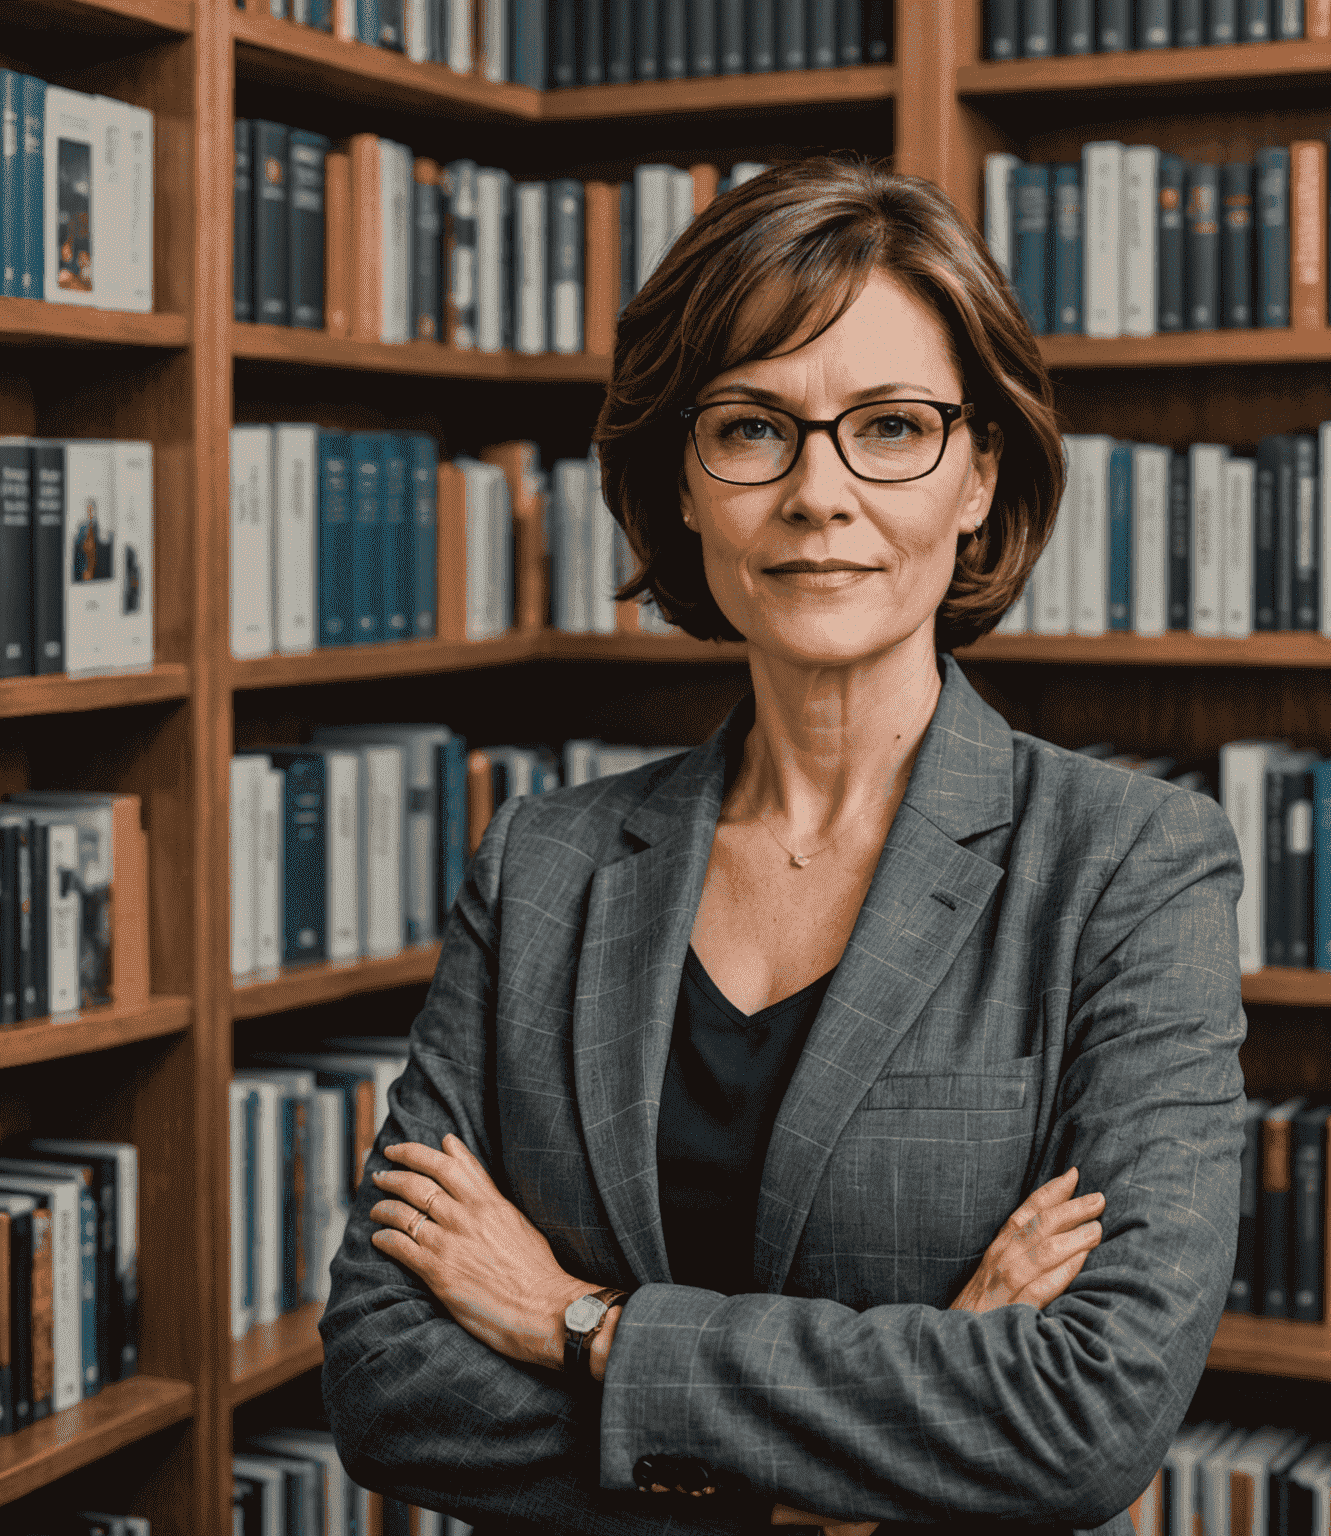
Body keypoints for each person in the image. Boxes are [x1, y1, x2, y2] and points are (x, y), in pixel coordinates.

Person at [320, 157, 1246, 1536]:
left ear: (980, 474)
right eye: (753, 429)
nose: (820, 492)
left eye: (891, 427)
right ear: (684, 487)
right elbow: (388, 1384)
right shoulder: (543, 865)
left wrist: (579, 1327)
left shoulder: (1132, 867)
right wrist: (862, 1463)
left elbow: (1082, 1415)